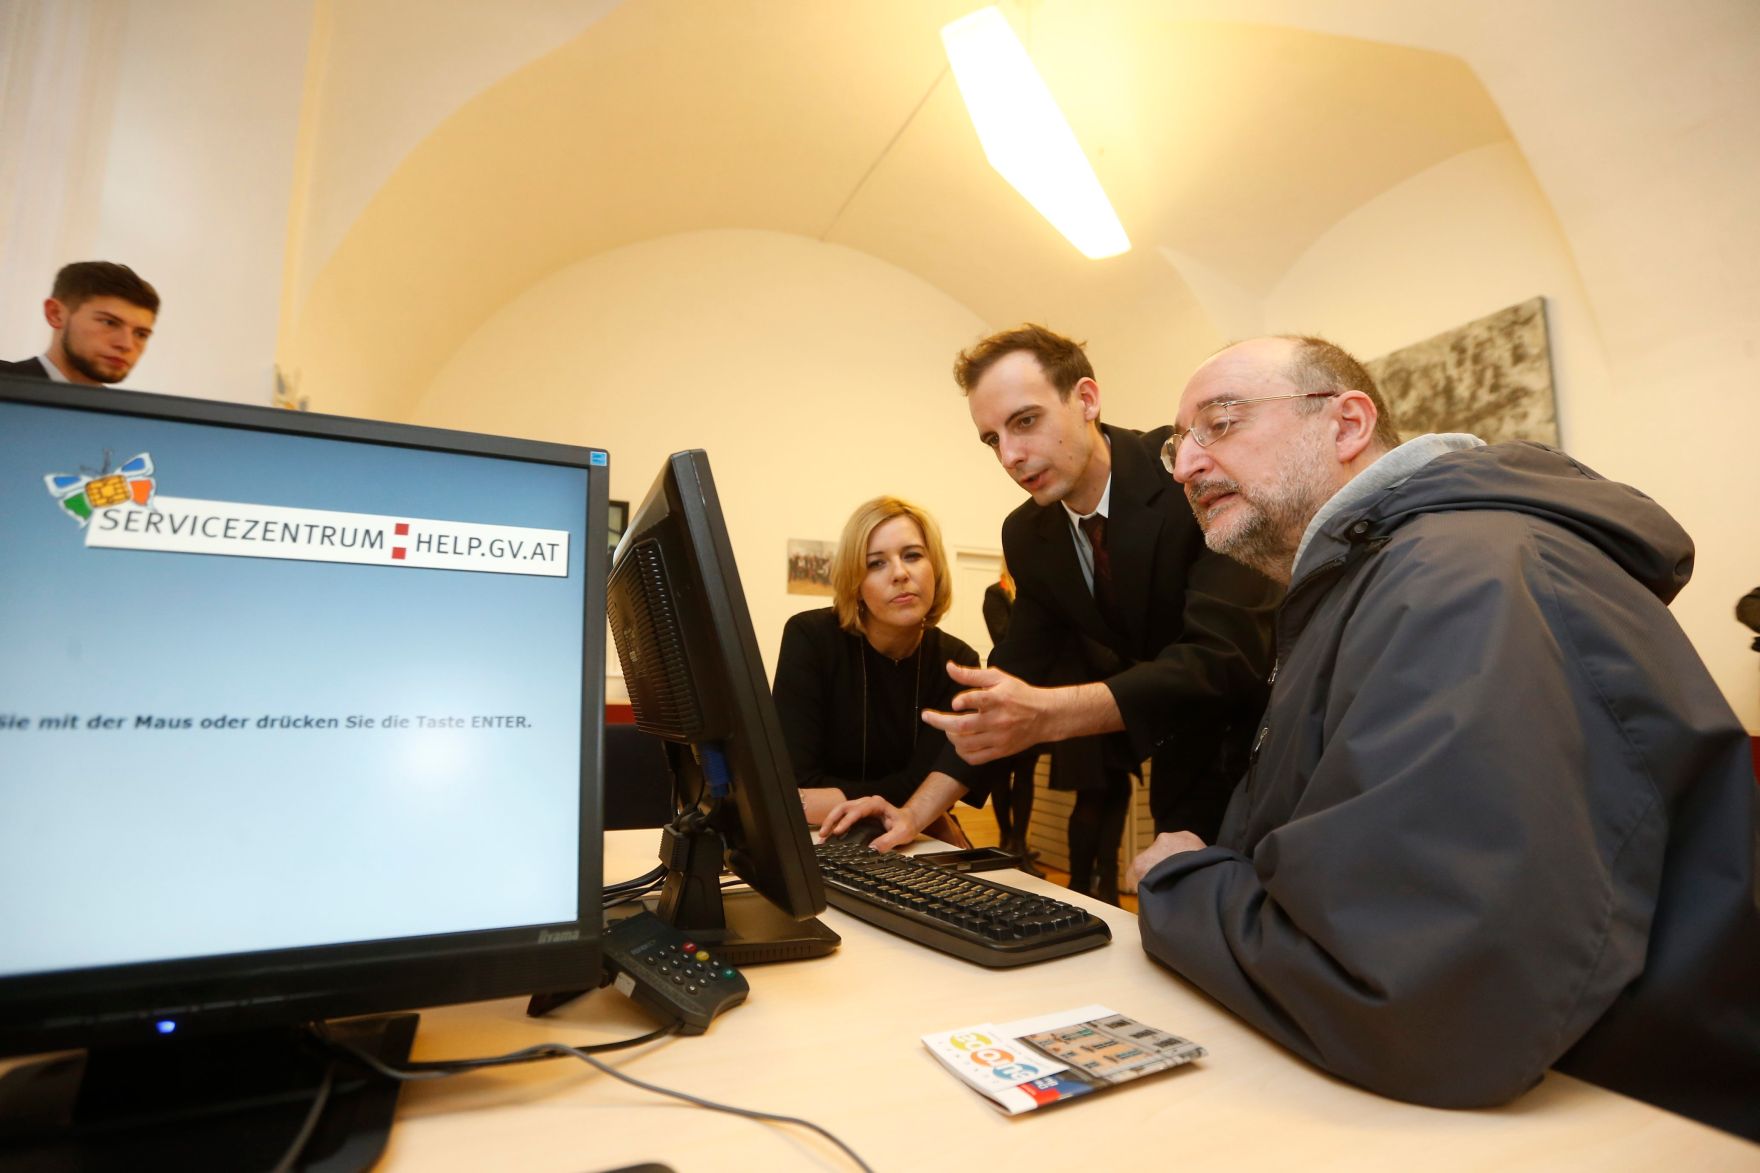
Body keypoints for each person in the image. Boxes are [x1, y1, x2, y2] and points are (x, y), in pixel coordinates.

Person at [1128, 334, 1760, 1139]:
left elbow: (1418, 990)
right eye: (1175, 444)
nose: (1186, 466)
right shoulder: (1385, 578)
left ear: (1348, 423)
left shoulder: (1462, 579)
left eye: (1219, 424)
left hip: (1618, 1119)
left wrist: (1184, 882)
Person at [895, 324, 1277, 897]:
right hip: (1181, 765)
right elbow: (1016, 670)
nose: (1011, 455)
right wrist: (912, 814)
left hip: (1276, 755)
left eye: (1025, 421)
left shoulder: (1184, 473)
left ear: (1087, 399)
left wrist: (1051, 714)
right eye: (991, 439)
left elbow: (1223, 657)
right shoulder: (1030, 533)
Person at [773, 496, 984, 846]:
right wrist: (917, 801)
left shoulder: (958, 661)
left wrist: (825, 800)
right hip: (819, 837)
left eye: (913, 556)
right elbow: (795, 781)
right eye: (876, 564)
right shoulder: (810, 637)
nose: (901, 573)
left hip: (912, 836)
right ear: (855, 582)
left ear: (935, 567)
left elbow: (932, 779)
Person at [1, 261, 158, 385]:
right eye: (109, 322)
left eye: (140, 334)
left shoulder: (130, 420)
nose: (126, 345)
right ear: (55, 314)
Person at [980, 561, 1042, 874]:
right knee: (1001, 773)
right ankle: (1006, 837)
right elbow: (1004, 637)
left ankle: (1020, 843)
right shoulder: (995, 594)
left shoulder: (1031, 595)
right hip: (1001, 692)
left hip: (1030, 691)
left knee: (1026, 772)